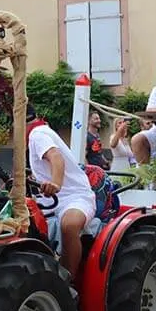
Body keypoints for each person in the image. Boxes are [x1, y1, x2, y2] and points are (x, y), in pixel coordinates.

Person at [26, 102, 98, 282]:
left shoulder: (38, 134)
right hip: (50, 201)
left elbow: (56, 158)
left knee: (70, 225)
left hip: (74, 197)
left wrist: (55, 183)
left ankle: (68, 282)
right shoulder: (39, 132)